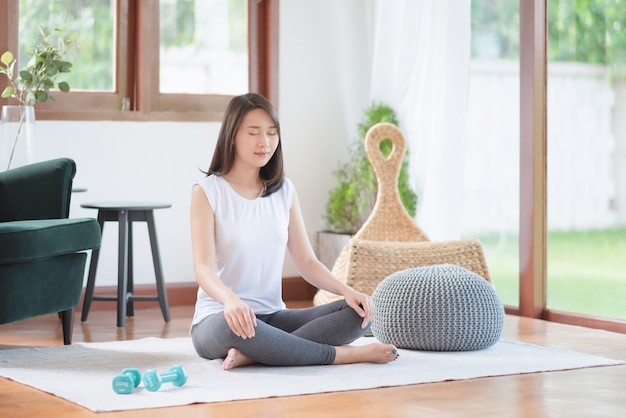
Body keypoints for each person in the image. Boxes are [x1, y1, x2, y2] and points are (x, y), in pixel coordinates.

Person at [189, 93, 399, 370]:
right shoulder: (208, 192)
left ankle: (254, 354)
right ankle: (346, 354)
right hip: (219, 318)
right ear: (232, 136)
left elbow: (307, 262)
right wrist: (231, 301)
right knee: (234, 329)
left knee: (358, 314)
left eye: (271, 133)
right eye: (254, 133)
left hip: (273, 317)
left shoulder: (284, 191)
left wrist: (348, 291)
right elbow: (202, 268)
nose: (265, 142)